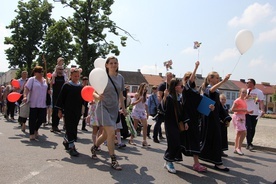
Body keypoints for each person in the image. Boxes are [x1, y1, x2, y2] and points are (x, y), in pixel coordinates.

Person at [90, 56, 126, 170]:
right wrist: (98, 96)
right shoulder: (102, 76)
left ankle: (95, 147)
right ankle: (113, 160)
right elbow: (93, 93)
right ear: (106, 65)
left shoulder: (120, 78)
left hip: (114, 109)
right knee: (111, 132)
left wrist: (124, 108)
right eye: (111, 63)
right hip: (103, 107)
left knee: (106, 134)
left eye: (115, 63)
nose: (113, 65)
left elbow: (120, 93)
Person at [199, 72, 231, 172]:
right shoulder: (208, 88)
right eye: (216, 78)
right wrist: (224, 81)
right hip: (209, 119)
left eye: (219, 78)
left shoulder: (216, 91)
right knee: (215, 139)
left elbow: (219, 107)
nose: (218, 79)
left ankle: (202, 155)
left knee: (211, 139)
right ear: (210, 79)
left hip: (214, 118)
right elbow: (211, 91)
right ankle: (218, 163)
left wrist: (226, 117)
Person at [181, 61, 207, 172]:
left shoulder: (196, 91)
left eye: (191, 77)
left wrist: (209, 107)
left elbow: (201, 103)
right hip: (187, 118)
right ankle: (170, 158)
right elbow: (189, 81)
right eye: (187, 78)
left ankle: (196, 163)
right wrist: (195, 67)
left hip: (195, 118)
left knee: (194, 140)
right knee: (181, 140)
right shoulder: (185, 89)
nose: (190, 79)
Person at [56, 67, 84, 156]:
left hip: (77, 110)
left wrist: (83, 108)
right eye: (75, 76)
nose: (76, 78)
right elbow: (61, 98)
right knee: (69, 127)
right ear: (71, 76)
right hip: (68, 110)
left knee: (74, 127)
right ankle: (72, 147)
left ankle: (66, 140)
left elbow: (83, 99)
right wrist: (60, 110)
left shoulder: (80, 87)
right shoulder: (67, 85)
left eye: (78, 76)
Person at [163, 78, 188, 174]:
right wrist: (164, 99)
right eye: (181, 86)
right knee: (174, 143)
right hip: (170, 124)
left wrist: (185, 122)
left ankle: (168, 159)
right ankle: (169, 161)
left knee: (177, 143)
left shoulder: (179, 98)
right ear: (175, 87)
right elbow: (164, 111)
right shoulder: (169, 98)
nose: (182, 87)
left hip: (177, 124)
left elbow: (182, 112)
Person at [22, 66, 48, 140]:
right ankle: (32, 133)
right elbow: (26, 88)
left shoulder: (45, 80)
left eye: (42, 72)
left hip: (43, 103)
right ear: (35, 73)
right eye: (40, 72)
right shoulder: (32, 80)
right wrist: (25, 96)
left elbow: (47, 89)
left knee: (41, 118)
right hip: (34, 103)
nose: (41, 73)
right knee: (32, 119)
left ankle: (36, 129)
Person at [231, 88, 253, 155]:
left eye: (245, 92)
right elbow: (232, 109)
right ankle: (239, 148)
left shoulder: (244, 100)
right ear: (240, 93)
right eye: (243, 92)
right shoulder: (237, 100)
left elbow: (244, 110)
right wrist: (242, 109)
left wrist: (248, 112)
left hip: (242, 117)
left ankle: (236, 148)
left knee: (239, 133)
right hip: (238, 117)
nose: (244, 94)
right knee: (244, 132)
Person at [128, 82, 150, 147]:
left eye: (147, 87)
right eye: (145, 87)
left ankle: (144, 141)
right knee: (135, 126)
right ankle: (131, 139)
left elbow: (146, 105)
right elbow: (132, 104)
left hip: (142, 111)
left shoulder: (145, 95)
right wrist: (139, 100)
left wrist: (148, 113)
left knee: (145, 125)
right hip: (136, 111)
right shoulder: (137, 94)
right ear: (141, 87)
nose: (146, 89)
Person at [153, 72, 173, 143]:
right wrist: (162, 104)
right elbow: (159, 96)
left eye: (172, 76)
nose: (171, 77)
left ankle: (168, 137)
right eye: (170, 76)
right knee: (159, 122)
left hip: (169, 106)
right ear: (167, 76)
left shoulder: (171, 86)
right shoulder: (162, 85)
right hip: (162, 106)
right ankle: (155, 137)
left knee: (168, 123)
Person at [245, 78, 265, 151]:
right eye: (246, 83)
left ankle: (250, 142)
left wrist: (262, 110)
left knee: (252, 128)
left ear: (252, 83)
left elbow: (261, 102)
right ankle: (248, 143)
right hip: (247, 112)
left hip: (255, 112)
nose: (247, 84)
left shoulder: (259, 92)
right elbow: (241, 99)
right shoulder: (245, 91)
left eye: (248, 83)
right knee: (248, 127)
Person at [50, 65, 67, 132]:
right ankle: (53, 126)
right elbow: (51, 84)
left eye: (61, 69)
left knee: (60, 111)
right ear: (56, 69)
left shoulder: (64, 77)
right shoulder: (54, 76)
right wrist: (52, 78)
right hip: (55, 96)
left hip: (62, 96)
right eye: (59, 69)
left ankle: (56, 126)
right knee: (55, 111)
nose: (60, 70)